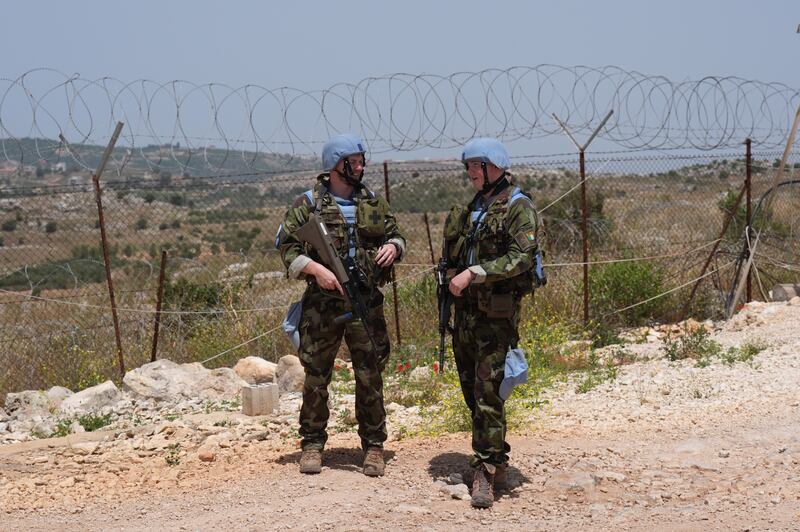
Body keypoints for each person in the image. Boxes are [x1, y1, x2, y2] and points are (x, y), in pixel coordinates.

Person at [277, 133, 405, 477]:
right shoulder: (308, 203)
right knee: (317, 375)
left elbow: (397, 234)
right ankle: (312, 445)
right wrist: (315, 269)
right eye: (355, 161)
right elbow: (286, 245)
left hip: (365, 299)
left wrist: (393, 246)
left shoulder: (372, 201)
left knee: (370, 374)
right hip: (323, 304)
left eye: (362, 160)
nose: (362, 166)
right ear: (337, 165)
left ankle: (374, 446)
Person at [442, 137, 540, 508]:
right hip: (466, 314)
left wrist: (474, 273)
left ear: (492, 165)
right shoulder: (475, 208)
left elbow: (521, 258)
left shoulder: (518, 207)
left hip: (494, 316)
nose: (469, 174)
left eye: (474, 166)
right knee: (473, 390)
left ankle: (485, 470)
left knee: (487, 391)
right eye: (468, 167)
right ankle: (494, 451)